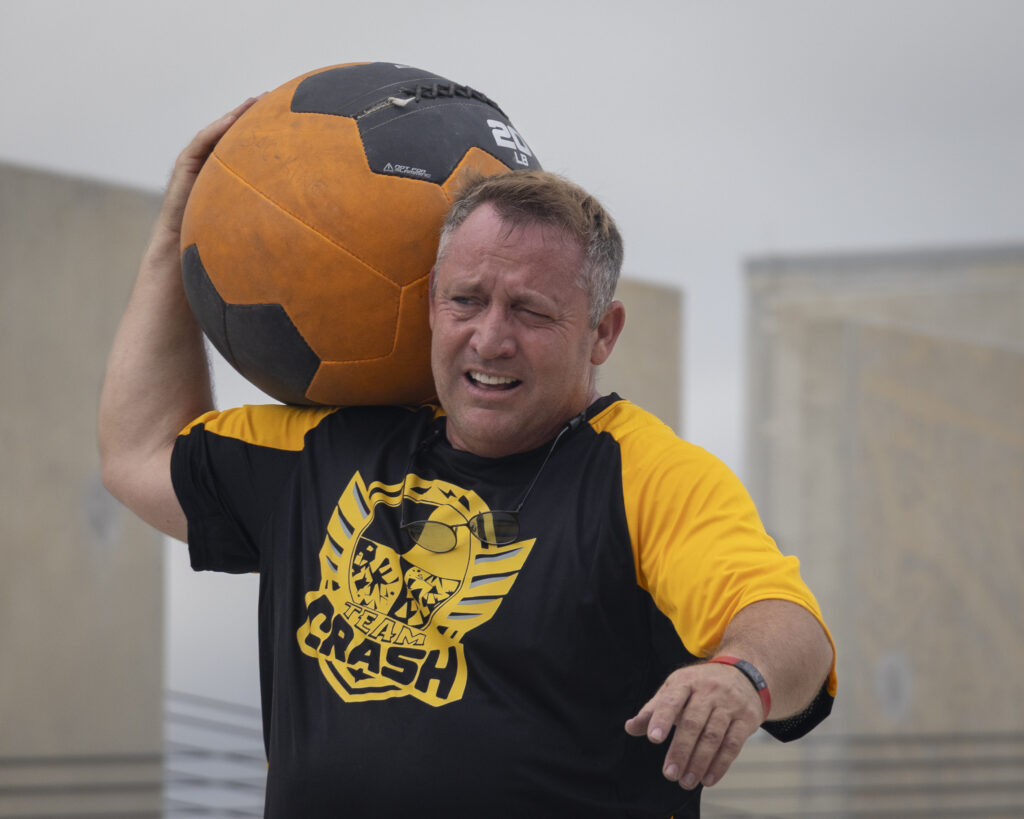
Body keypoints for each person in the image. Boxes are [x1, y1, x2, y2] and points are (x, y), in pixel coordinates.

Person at [99, 101, 836, 818]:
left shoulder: (645, 475)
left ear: (602, 333)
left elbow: (786, 623)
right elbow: (140, 451)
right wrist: (175, 236)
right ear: (428, 304)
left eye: (531, 311)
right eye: (466, 300)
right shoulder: (333, 449)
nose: (490, 338)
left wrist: (740, 677)